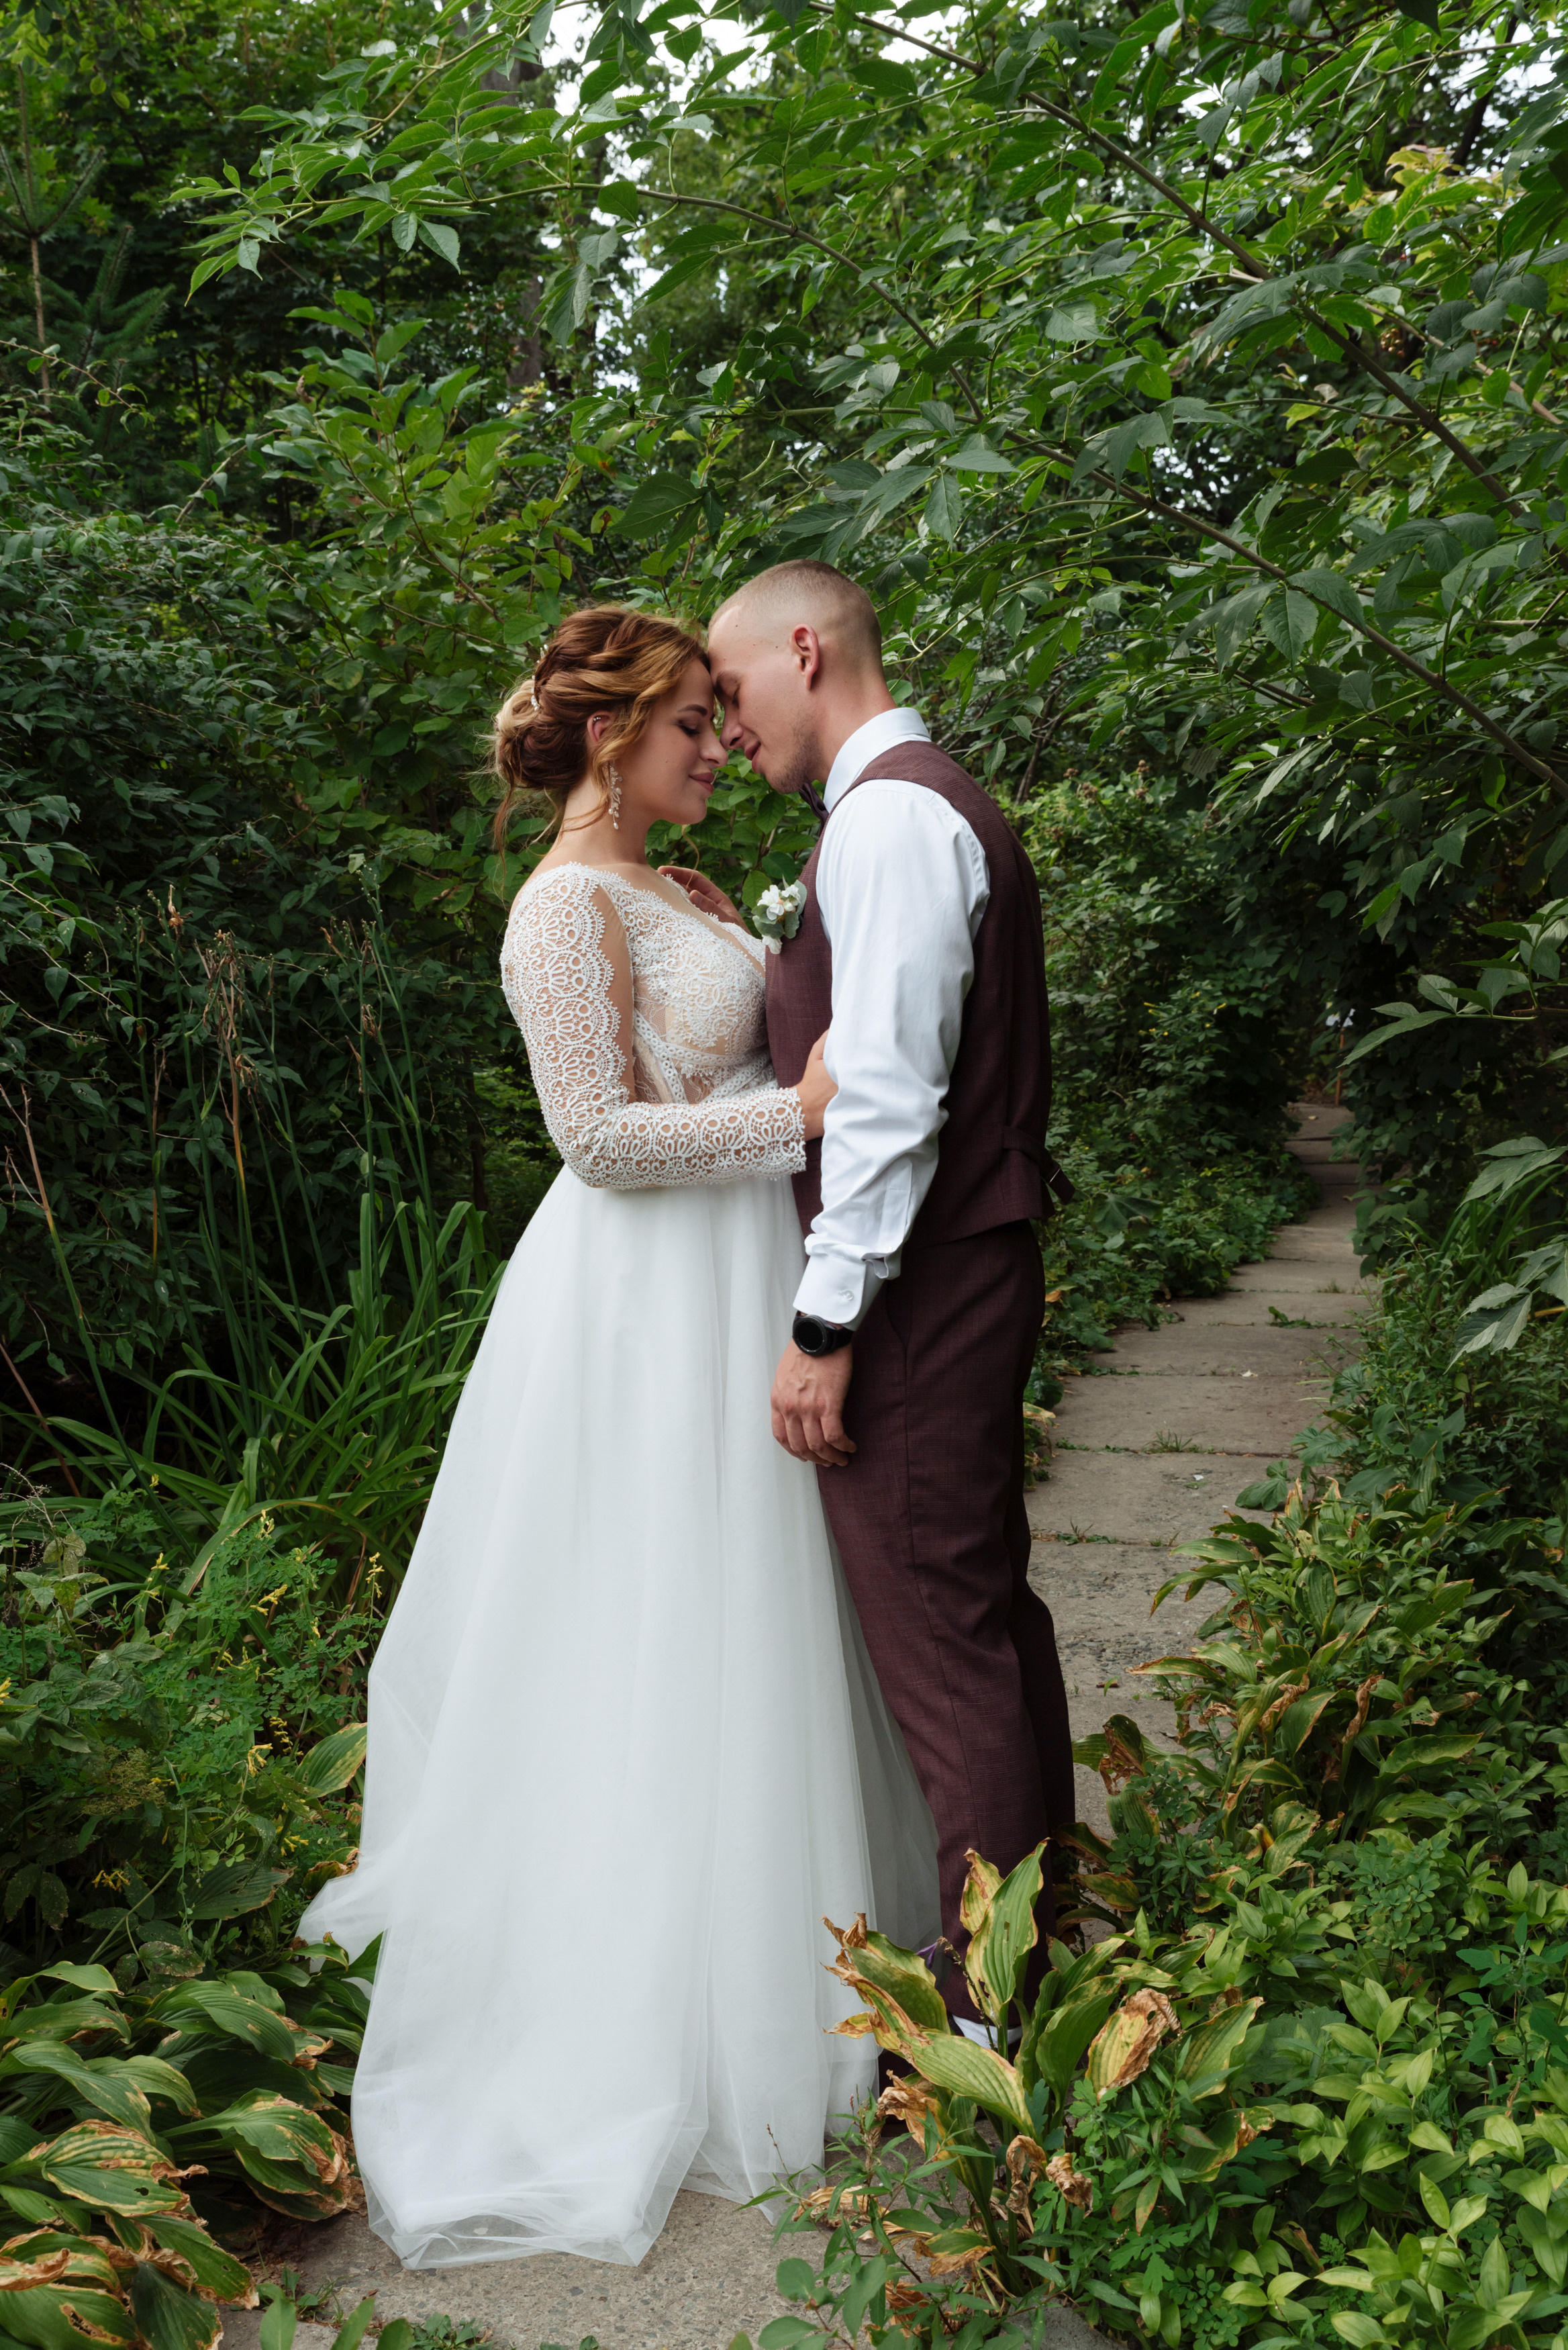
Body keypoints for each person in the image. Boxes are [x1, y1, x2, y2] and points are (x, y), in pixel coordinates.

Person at [298, 606, 937, 2269]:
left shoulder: (674, 890)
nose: (721, 749)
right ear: (608, 739)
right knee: (639, 1631)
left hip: (735, 1281)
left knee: (752, 1629)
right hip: (633, 1305)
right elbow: (593, 1137)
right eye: (690, 729)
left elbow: (699, 1047)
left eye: (726, 727)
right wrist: (793, 1116)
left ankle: (789, 1976)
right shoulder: (555, 906)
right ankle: (635, 2015)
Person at [693, 561, 1075, 2034]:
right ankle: (1039, 1937)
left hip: (920, 1285)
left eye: (730, 694)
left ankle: (990, 2015)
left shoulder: (896, 817)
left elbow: (891, 1100)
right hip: (959, 1263)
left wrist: (824, 1325)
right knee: (977, 1608)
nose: (727, 733)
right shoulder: (897, 810)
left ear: (805, 649)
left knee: (939, 1626)